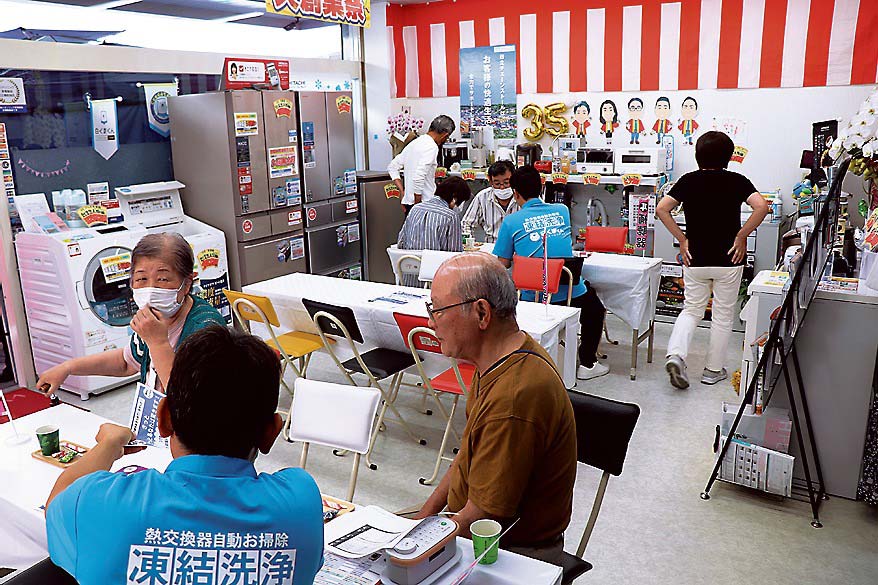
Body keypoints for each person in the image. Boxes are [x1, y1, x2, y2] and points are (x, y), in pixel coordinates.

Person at [45, 325, 324, 585]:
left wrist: (109, 443)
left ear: (164, 418)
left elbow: (59, 500)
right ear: (271, 433)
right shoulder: (301, 502)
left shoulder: (97, 504)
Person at [414, 253, 576, 566]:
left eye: (438, 310)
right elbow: (466, 455)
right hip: (468, 523)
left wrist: (414, 550)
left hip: (508, 549)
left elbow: (483, 515)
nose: (431, 322)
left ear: (482, 313)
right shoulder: (497, 359)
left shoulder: (514, 397)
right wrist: (422, 518)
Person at [38, 233, 225, 395]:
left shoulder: (206, 326)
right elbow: (126, 362)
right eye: (141, 279)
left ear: (187, 284)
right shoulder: (151, 320)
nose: (151, 289)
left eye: (163, 279)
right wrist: (68, 368)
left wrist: (157, 342)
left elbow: (190, 401)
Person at [656, 131, 768, 389]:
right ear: (729, 157)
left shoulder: (687, 181)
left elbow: (662, 209)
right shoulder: (738, 181)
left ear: (697, 156)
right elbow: (761, 206)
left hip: (696, 257)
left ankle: (676, 354)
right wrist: (741, 236)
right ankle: (712, 371)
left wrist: (683, 239)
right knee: (722, 315)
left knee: (692, 309)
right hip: (729, 258)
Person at [493, 165, 609, 380]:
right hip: (569, 293)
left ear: (515, 193)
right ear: (542, 187)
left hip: (533, 298)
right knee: (595, 310)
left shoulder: (510, 222)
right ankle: (587, 364)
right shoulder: (562, 211)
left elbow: (502, 263)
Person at [397, 177, 472, 286]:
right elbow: (455, 257)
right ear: (454, 198)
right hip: (436, 282)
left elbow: (401, 242)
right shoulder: (451, 216)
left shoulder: (415, 209)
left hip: (408, 278)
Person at [388, 115, 456, 215]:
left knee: (411, 230)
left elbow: (392, 167)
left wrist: (402, 192)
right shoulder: (432, 146)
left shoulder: (414, 143)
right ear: (445, 135)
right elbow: (419, 176)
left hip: (409, 203)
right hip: (425, 203)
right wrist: (418, 203)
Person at [460, 160, 519, 244]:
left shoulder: (523, 195)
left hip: (518, 248)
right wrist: (469, 243)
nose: (502, 187)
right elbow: (466, 224)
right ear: (490, 181)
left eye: (506, 183)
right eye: (497, 184)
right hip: (492, 246)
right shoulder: (482, 197)